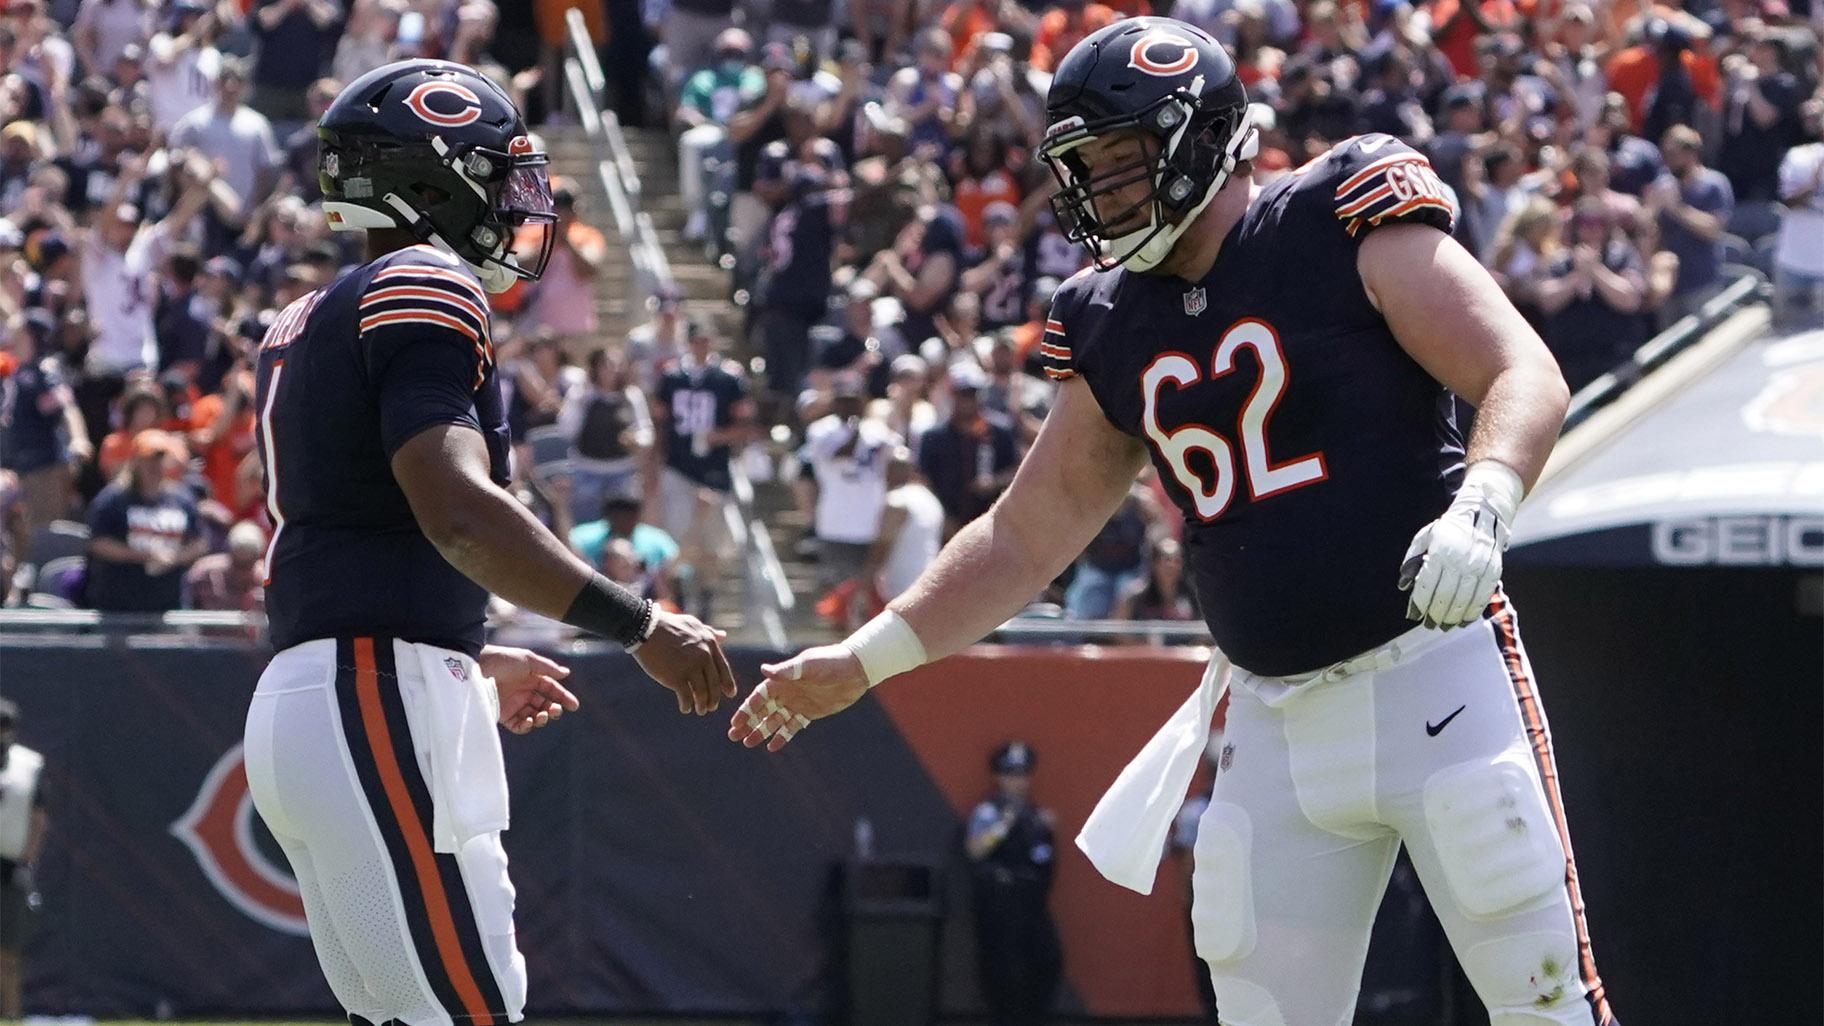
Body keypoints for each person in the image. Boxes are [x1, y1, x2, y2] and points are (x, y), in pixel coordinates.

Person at [731, 19, 1618, 1026]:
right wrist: (865, 659)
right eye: (1084, 169)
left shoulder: (1335, 215)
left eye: (1120, 162)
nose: (1098, 192)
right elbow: (1025, 538)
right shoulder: (1107, 315)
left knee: (1547, 1007)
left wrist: (1484, 504)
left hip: (1436, 676)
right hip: (1272, 720)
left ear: (1202, 136)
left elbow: (1519, 367)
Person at [241, 61, 735, 1026]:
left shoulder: (311, 314)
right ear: (431, 183)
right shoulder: (424, 279)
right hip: (370, 691)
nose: (519, 204)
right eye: (495, 176)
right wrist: (640, 625)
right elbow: (455, 507)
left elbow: (354, 527)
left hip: (332, 684)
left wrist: (458, 652)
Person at [652, 319, 753, 617]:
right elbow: (659, 422)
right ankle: (680, 596)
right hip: (678, 466)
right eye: (697, 340)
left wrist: (720, 436)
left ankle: (707, 598)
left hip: (714, 471)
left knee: (711, 541)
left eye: (706, 340)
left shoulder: (728, 378)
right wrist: (655, 463)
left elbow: (745, 425)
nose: (701, 347)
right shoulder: (671, 376)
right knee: (678, 536)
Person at [963, 741, 1062, 1026]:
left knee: (1047, 961)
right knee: (1003, 972)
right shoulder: (989, 812)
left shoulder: (1036, 815)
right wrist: (1003, 827)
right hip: (1000, 904)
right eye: (1010, 775)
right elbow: (976, 850)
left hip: (1032, 904)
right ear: (998, 777)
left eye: (1022, 774)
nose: (1017, 782)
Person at [85, 428, 206, 612]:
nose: (155, 466)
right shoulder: (114, 499)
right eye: (148, 459)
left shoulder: (181, 499)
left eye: (160, 459)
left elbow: (199, 542)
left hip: (169, 603)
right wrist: (142, 556)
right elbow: (98, 543)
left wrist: (174, 558)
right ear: (135, 461)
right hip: (118, 606)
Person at [0, 696, 48, 1022]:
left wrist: (28, 857)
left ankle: (11, 1015)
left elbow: (40, 816)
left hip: (9, 866)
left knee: (8, 952)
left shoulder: (27, 764)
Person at [185, 517, 266, 611]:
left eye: (248, 564)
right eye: (238, 564)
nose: (242, 572)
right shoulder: (205, 574)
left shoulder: (266, 578)